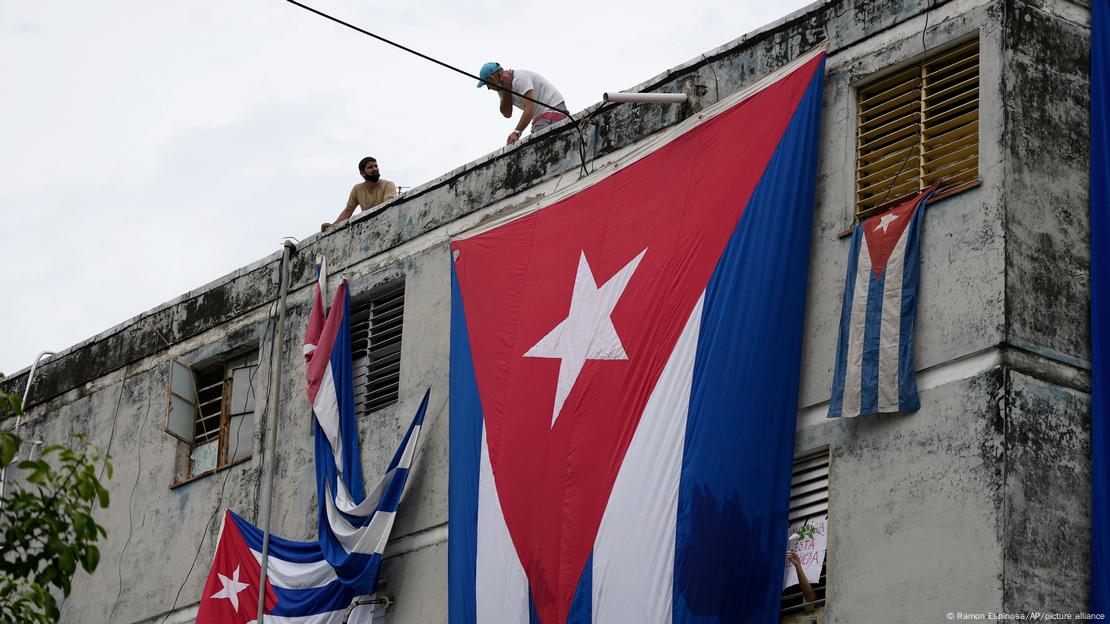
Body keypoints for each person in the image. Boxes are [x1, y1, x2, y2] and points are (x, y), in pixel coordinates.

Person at [477, 62, 569, 144]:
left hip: (554, 110)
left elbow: (529, 108)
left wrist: (516, 132)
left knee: (540, 144)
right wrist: (506, 87)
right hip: (542, 116)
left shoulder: (519, 78)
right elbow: (506, 113)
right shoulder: (503, 89)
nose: (488, 88)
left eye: (486, 84)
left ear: (492, 78)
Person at [321, 157, 398, 231]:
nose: (375, 169)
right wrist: (332, 227)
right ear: (362, 173)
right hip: (369, 228)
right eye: (370, 167)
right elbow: (347, 212)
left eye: (376, 166)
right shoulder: (357, 189)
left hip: (387, 223)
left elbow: (388, 205)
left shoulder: (388, 185)